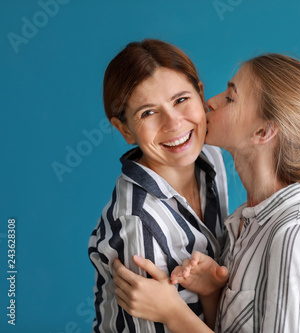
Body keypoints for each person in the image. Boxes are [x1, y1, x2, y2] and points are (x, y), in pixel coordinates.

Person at [113, 53, 300, 332]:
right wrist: (211, 294)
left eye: (230, 98)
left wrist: (173, 313)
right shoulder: (244, 223)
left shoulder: (295, 238)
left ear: (263, 131)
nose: (211, 100)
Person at [88, 39, 229, 332]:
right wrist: (173, 312)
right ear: (124, 129)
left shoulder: (212, 157)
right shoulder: (138, 224)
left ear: (201, 95)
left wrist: (211, 291)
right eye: (148, 113)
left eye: (181, 100)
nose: (174, 123)